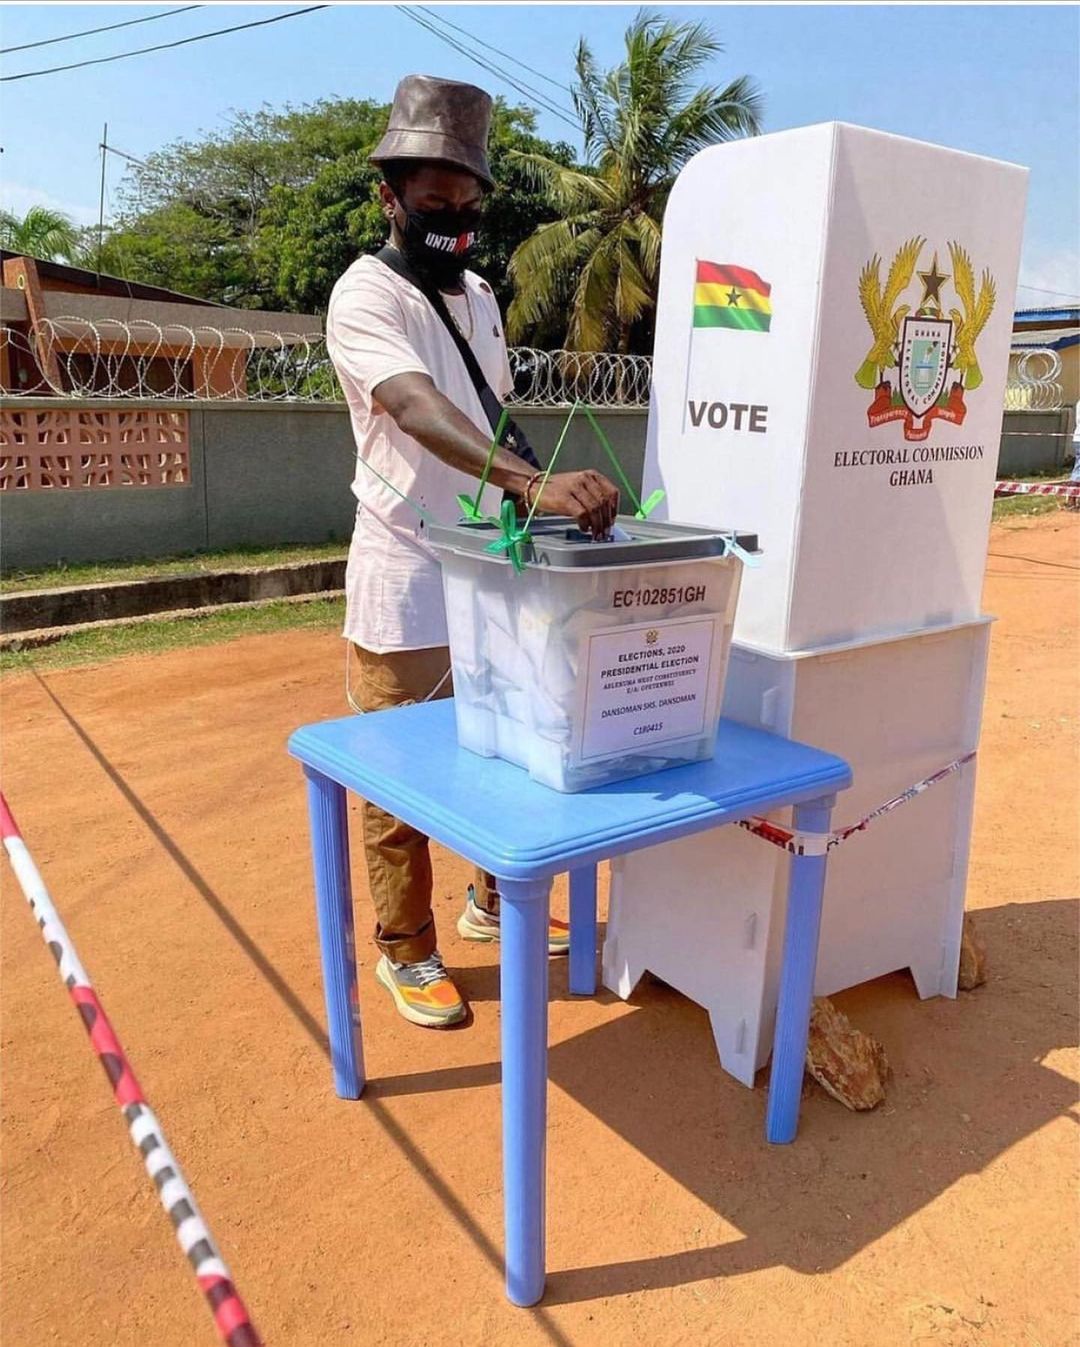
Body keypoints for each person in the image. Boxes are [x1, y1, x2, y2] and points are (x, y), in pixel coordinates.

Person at [326, 75, 620, 1028]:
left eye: (465, 206)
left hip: (490, 563)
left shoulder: (482, 297)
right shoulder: (365, 294)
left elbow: (490, 412)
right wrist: (530, 484)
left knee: (509, 740)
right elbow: (415, 405)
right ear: (391, 200)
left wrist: (549, 493)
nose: (451, 222)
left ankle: (494, 902)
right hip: (409, 571)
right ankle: (404, 950)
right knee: (399, 772)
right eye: (430, 205)